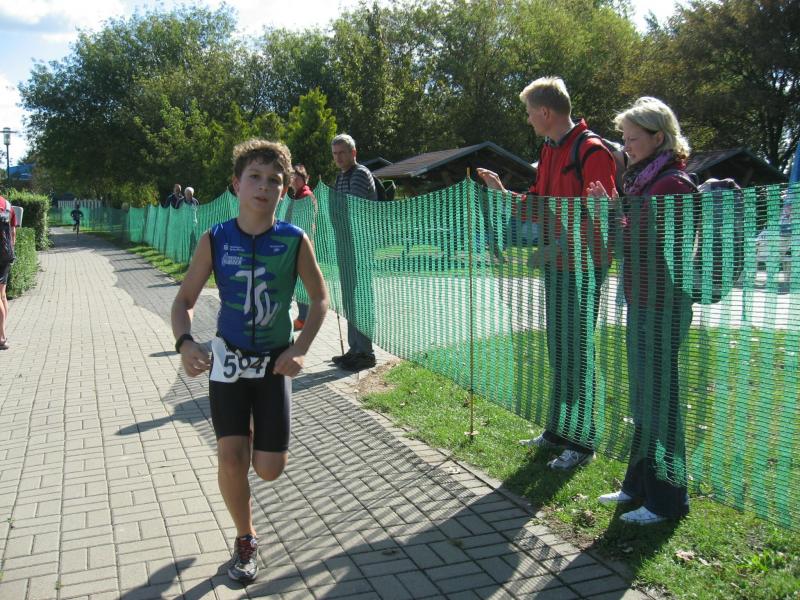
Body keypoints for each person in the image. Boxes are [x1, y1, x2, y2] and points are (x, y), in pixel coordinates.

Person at [171, 139, 328, 582]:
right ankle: (245, 537)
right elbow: (183, 300)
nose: (263, 187)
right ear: (236, 184)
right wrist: (185, 343)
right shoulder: (216, 238)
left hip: (275, 365)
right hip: (229, 364)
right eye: (254, 178)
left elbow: (319, 300)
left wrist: (300, 349)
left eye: (274, 180)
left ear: (285, 189)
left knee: (269, 469)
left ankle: (256, 433)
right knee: (231, 458)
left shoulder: (294, 240)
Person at [477, 76, 617, 470]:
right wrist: (504, 194)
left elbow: (600, 218)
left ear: (545, 112)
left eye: (528, 113)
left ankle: (582, 442)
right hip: (557, 267)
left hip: (584, 268)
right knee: (559, 348)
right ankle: (558, 429)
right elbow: (539, 202)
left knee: (578, 351)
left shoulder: (592, 151)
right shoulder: (550, 149)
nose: (527, 120)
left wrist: (557, 247)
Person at [587, 96, 695, 525]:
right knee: (644, 397)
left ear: (659, 137)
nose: (626, 147)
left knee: (659, 402)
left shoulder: (671, 185)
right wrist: (615, 209)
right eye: (624, 138)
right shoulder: (645, 182)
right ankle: (637, 486)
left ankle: (667, 501)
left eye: (633, 139)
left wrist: (609, 214)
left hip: (662, 306)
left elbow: (641, 245)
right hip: (644, 302)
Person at [329, 133, 379, 371]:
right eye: (335, 154)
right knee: (349, 298)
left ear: (353, 153)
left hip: (361, 247)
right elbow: (337, 209)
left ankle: (366, 352)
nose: (338, 158)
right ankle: (355, 348)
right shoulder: (341, 177)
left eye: (342, 153)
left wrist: (337, 209)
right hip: (346, 246)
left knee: (362, 298)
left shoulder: (359, 174)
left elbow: (353, 209)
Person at [286, 164, 317, 332]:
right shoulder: (296, 196)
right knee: (299, 284)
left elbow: (305, 223)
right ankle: (303, 317)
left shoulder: (305, 196)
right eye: (292, 178)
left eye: (296, 178)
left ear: (304, 179)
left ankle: (304, 318)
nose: (293, 181)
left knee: (302, 284)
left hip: (302, 247)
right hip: (296, 245)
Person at [0, 195, 17, 350]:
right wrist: (11, 251)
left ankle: (1, 337)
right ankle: (3, 330)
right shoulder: (7, 204)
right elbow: (13, 232)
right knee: (2, 295)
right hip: (6, 254)